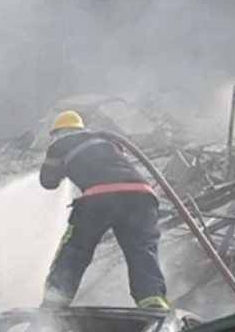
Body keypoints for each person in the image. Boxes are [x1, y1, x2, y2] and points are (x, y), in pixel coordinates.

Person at [39, 110, 170, 310]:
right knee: (142, 250)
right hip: (142, 196)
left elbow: (48, 182)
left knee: (75, 249)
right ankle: (152, 300)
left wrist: (62, 168)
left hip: (100, 198)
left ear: (58, 132)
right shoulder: (106, 141)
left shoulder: (59, 145)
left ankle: (54, 302)